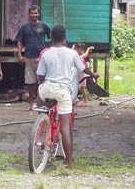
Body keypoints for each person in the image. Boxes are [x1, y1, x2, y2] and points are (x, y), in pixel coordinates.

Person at [36, 25, 100, 169]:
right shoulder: (72, 54)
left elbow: (40, 76)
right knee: (65, 127)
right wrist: (93, 74)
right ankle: (69, 163)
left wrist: (44, 83)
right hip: (63, 91)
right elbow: (83, 69)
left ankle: (42, 116)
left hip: (47, 89)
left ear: (51, 37)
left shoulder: (46, 54)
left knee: (40, 91)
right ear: (65, 38)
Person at [15, 5, 51, 110]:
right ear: (29, 14)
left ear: (39, 14)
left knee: (42, 81)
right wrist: (19, 54)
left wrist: (50, 51)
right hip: (28, 57)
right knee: (30, 82)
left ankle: (42, 103)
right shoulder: (24, 27)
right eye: (32, 13)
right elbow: (19, 41)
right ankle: (30, 104)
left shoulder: (44, 25)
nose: (34, 15)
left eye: (36, 13)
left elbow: (52, 37)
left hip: (41, 58)